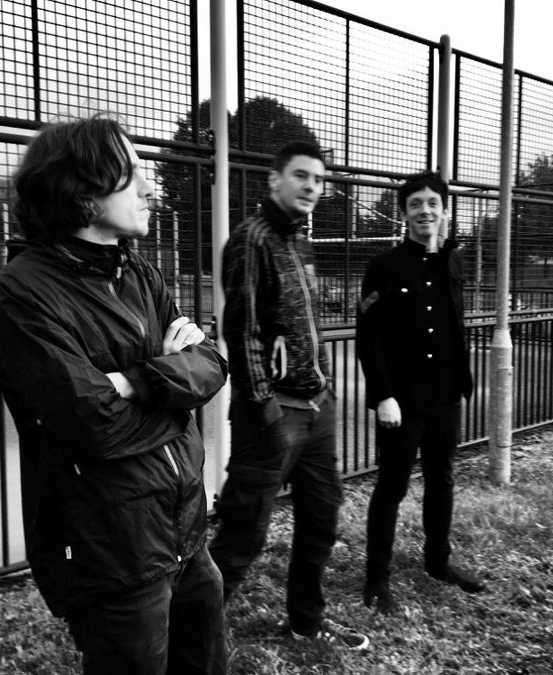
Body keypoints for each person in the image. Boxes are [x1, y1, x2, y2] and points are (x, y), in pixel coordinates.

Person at [0, 114, 230, 674]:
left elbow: (211, 364)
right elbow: (94, 424)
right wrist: (172, 387)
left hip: (186, 533)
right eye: (131, 173)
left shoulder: (139, 273)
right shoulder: (24, 292)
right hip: (114, 552)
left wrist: (135, 381)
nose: (149, 188)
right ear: (83, 192)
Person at [208, 141, 369, 650]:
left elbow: (302, 325)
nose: (312, 187)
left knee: (321, 521)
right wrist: (266, 408)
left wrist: (325, 386)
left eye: (319, 180)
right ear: (274, 180)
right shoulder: (250, 240)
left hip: (317, 408)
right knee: (243, 534)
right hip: (274, 414)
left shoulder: (300, 240)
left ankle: (306, 622)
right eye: (302, 176)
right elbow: (243, 332)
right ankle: (184, 641)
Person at [355, 170, 487, 615]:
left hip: (446, 395)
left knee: (441, 480)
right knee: (391, 487)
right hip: (402, 400)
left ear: (444, 210)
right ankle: (377, 580)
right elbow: (369, 338)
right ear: (405, 213)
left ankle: (438, 562)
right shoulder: (384, 266)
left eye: (433, 203)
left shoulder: (452, 261)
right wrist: (383, 396)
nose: (424, 211)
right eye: (416, 204)